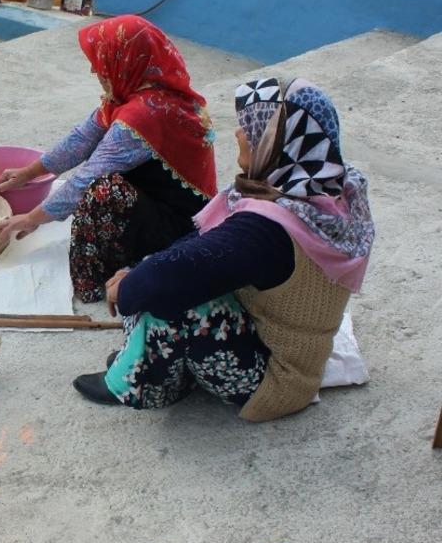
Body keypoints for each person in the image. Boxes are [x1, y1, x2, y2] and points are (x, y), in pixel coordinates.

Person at [72, 78, 375, 422]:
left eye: (250, 127)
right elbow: (201, 244)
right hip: (286, 342)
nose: (238, 134)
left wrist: (127, 285)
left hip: (274, 379)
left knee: (165, 297)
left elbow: (156, 283)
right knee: (163, 268)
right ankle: (156, 359)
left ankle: (141, 383)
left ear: (274, 143)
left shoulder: (269, 227)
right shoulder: (328, 185)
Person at [0, 15, 217, 302]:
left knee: (102, 192)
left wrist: (32, 218)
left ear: (126, 59)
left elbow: (89, 177)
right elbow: (82, 138)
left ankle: (98, 281)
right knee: (101, 186)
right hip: (155, 199)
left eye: (100, 59)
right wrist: (29, 172)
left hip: (177, 225)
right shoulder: (137, 92)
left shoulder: (146, 115)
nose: (92, 69)